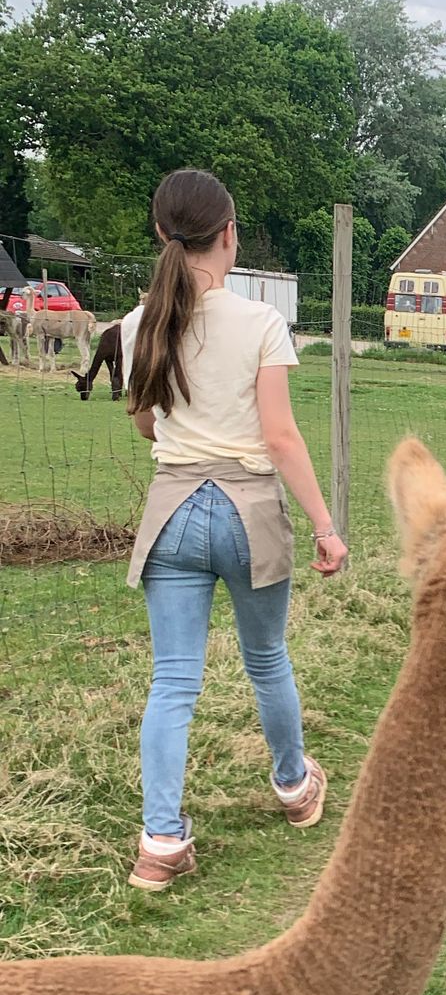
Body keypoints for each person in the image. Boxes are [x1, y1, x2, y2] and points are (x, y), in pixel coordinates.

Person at [120, 168, 347, 892]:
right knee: (267, 658)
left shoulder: (137, 325)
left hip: (172, 512)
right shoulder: (260, 323)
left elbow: (146, 425)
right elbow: (279, 437)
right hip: (248, 512)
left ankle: (160, 841)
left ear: (162, 233)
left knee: (173, 681)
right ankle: (294, 786)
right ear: (229, 234)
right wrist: (325, 526)